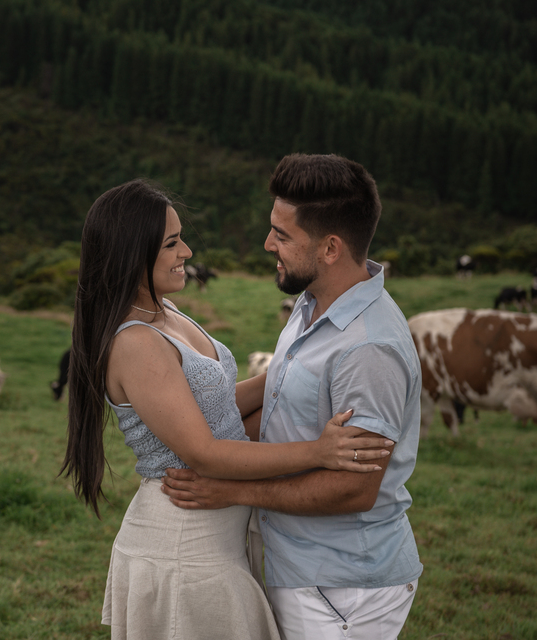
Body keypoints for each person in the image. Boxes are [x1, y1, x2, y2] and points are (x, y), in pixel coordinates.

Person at [60, 178, 393, 640]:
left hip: (214, 540)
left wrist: (298, 374)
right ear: (131, 253)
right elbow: (205, 452)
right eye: (173, 244)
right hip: (185, 544)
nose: (188, 253)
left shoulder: (167, 312)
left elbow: (213, 405)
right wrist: (318, 452)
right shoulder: (135, 342)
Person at [162, 154, 424, 640]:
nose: (268, 245)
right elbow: (280, 407)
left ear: (329, 248)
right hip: (302, 570)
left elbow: (355, 488)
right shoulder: (311, 304)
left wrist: (233, 490)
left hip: (343, 588)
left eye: (282, 235)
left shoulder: (369, 348)